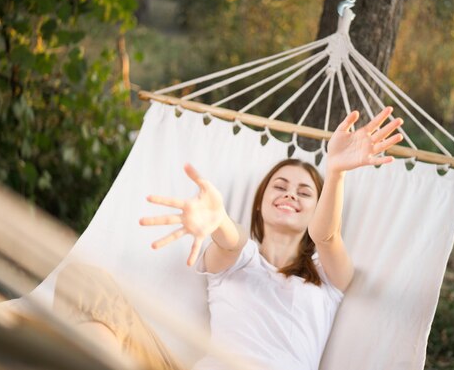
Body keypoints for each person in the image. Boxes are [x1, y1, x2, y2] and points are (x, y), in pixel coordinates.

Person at [54, 108, 403, 370]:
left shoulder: (327, 276)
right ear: (260, 204)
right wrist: (217, 217)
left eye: (304, 192)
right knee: (84, 283)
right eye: (279, 187)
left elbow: (326, 235)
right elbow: (231, 240)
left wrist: (336, 171)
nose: (290, 195)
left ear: (317, 208)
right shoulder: (240, 258)